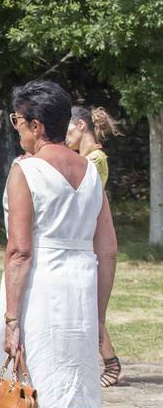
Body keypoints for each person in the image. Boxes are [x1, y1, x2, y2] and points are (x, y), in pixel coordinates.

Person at [0, 80, 117, 408]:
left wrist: (11, 320)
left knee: (39, 407)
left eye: (18, 122)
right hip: (81, 289)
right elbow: (107, 250)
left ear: (35, 124)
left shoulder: (25, 169)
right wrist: (99, 315)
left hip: (41, 291)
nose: (17, 131)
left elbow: (21, 250)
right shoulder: (90, 171)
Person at [67, 105, 124, 387]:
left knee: (91, 308)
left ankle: (111, 364)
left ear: (80, 125)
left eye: (67, 130)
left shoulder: (95, 160)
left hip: (89, 243)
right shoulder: (85, 158)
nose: (65, 137)